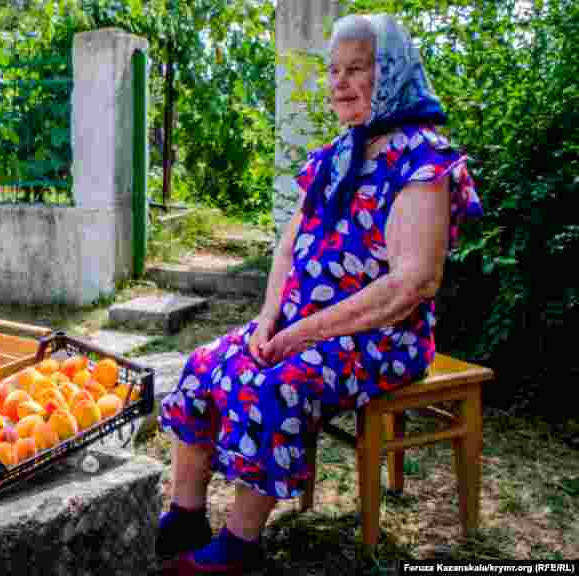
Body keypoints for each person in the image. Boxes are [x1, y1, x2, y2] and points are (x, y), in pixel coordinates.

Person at [155, 13, 483, 575]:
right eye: (334, 70)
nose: (339, 82)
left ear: (394, 74)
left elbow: (413, 283)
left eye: (357, 69)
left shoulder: (423, 161)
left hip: (383, 337)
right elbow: (287, 252)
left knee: (275, 383)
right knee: (203, 365)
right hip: (301, 325)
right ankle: (187, 513)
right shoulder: (335, 155)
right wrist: (266, 322)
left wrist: (299, 335)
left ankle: (240, 544)